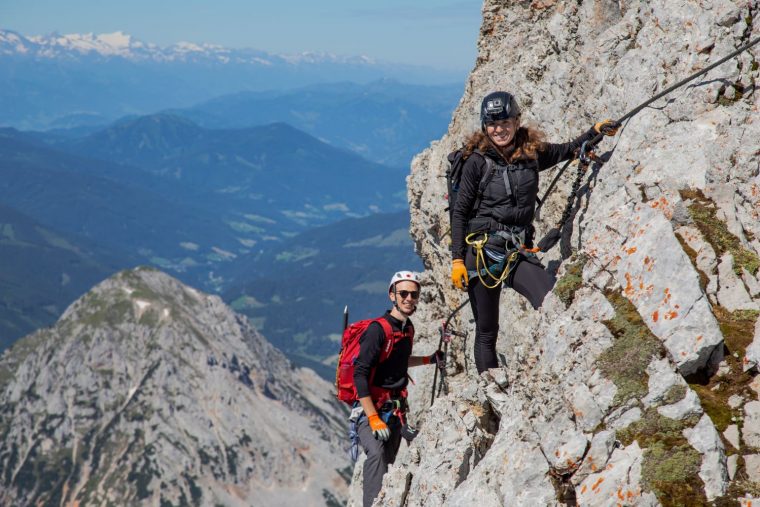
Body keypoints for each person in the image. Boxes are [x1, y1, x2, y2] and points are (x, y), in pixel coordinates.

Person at [449, 91, 618, 374]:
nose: (499, 129)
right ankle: (490, 387)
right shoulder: (475, 162)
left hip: (516, 251)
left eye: (504, 122)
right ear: (484, 126)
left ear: (516, 121)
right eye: (492, 124)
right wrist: (456, 259)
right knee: (487, 329)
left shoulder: (531, 154)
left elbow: (569, 149)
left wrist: (596, 132)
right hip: (480, 252)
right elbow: (460, 212)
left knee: (550, 301)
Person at [353, 270, 444, 507]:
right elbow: (359, 374)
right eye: (403, 293)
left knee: (390, 463)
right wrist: (372, 417)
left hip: (395, 413)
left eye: (414, 294)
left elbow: (399, 361)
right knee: (376, 456)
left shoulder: (407, 328)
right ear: (391, 295)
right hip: (371, 411)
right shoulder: (377, 330)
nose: (409, 299)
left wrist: (428, 359)